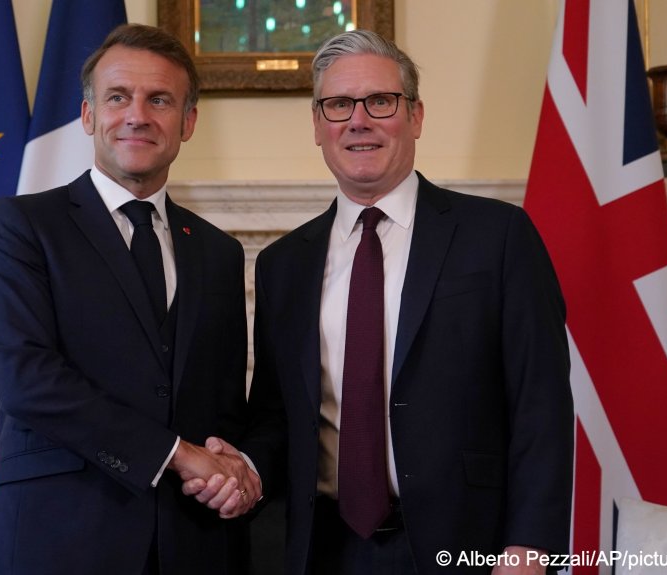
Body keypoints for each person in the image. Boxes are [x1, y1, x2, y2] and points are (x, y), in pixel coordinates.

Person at [234, 30, 574, 575]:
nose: (358, 120)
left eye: (381, 101)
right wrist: (243, 465)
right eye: (338, 104)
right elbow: (278, 413)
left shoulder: (499, 236)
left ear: (414, 116)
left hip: (467, 546)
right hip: (323, 549)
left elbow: (542, 405)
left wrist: (531, 549)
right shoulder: (283, 264)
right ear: (318, 126)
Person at [0, 24, 260, 575]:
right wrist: (178, 455)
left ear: (188, 122)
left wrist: (236, 471)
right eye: (118, 97)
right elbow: (27, 379)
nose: (137, 115)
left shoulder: (219, 253)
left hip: (190, 545)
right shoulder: (23, 226)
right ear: (88, 116)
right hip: (52, 542)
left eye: (160, 100)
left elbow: (224, 405)